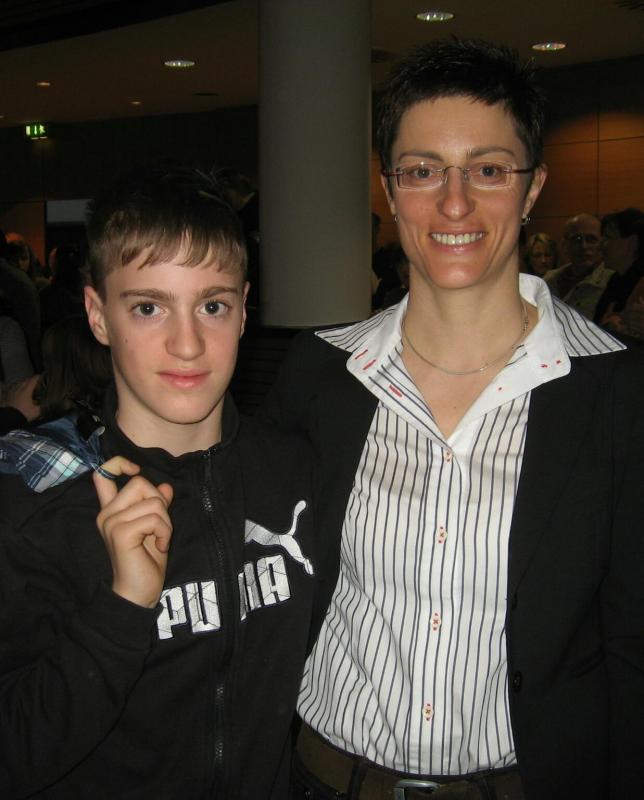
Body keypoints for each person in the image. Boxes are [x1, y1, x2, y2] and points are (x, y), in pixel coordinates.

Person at [261, 39, 644, 800]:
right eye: (423, 170)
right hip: (325, 781)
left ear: (533, 188)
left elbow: (634, 646)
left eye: (489, 170)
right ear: (389, 187)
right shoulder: (320, 374)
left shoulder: (619, 393)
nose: (455, 203)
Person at [0, 163, 317, 798]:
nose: (188, 344)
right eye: (149, 307)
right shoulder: (36, 506)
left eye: (212, 306)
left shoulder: (297, 472)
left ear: (244, 309)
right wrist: (122, 609)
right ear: (97, 315)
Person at [544, 213, 617, 320]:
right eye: (576, 239)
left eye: (591, 239)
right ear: (564, 245)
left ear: (602, 243)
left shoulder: (613, 282)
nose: (584, 246)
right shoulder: (549, 281)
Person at [595, 207, 644, 338]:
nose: (601, 245)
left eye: (608, 237)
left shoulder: (641, 282)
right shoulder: (615, 280)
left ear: (632, 242)